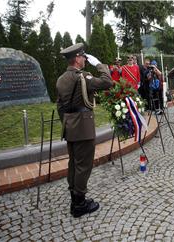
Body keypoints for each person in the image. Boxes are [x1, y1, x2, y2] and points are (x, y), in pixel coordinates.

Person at [56, 43, 113, 218]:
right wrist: (99, 65)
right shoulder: (82, 77)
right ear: (77, 59)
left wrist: (67, 122)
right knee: (83, 165)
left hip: (70, 126)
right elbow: (107, 82)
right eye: (83, 56)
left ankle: (74, 196)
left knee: (73, 163)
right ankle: (79, 204)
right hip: (83, 126)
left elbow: (60, 106)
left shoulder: (61, 79)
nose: (85, 59)